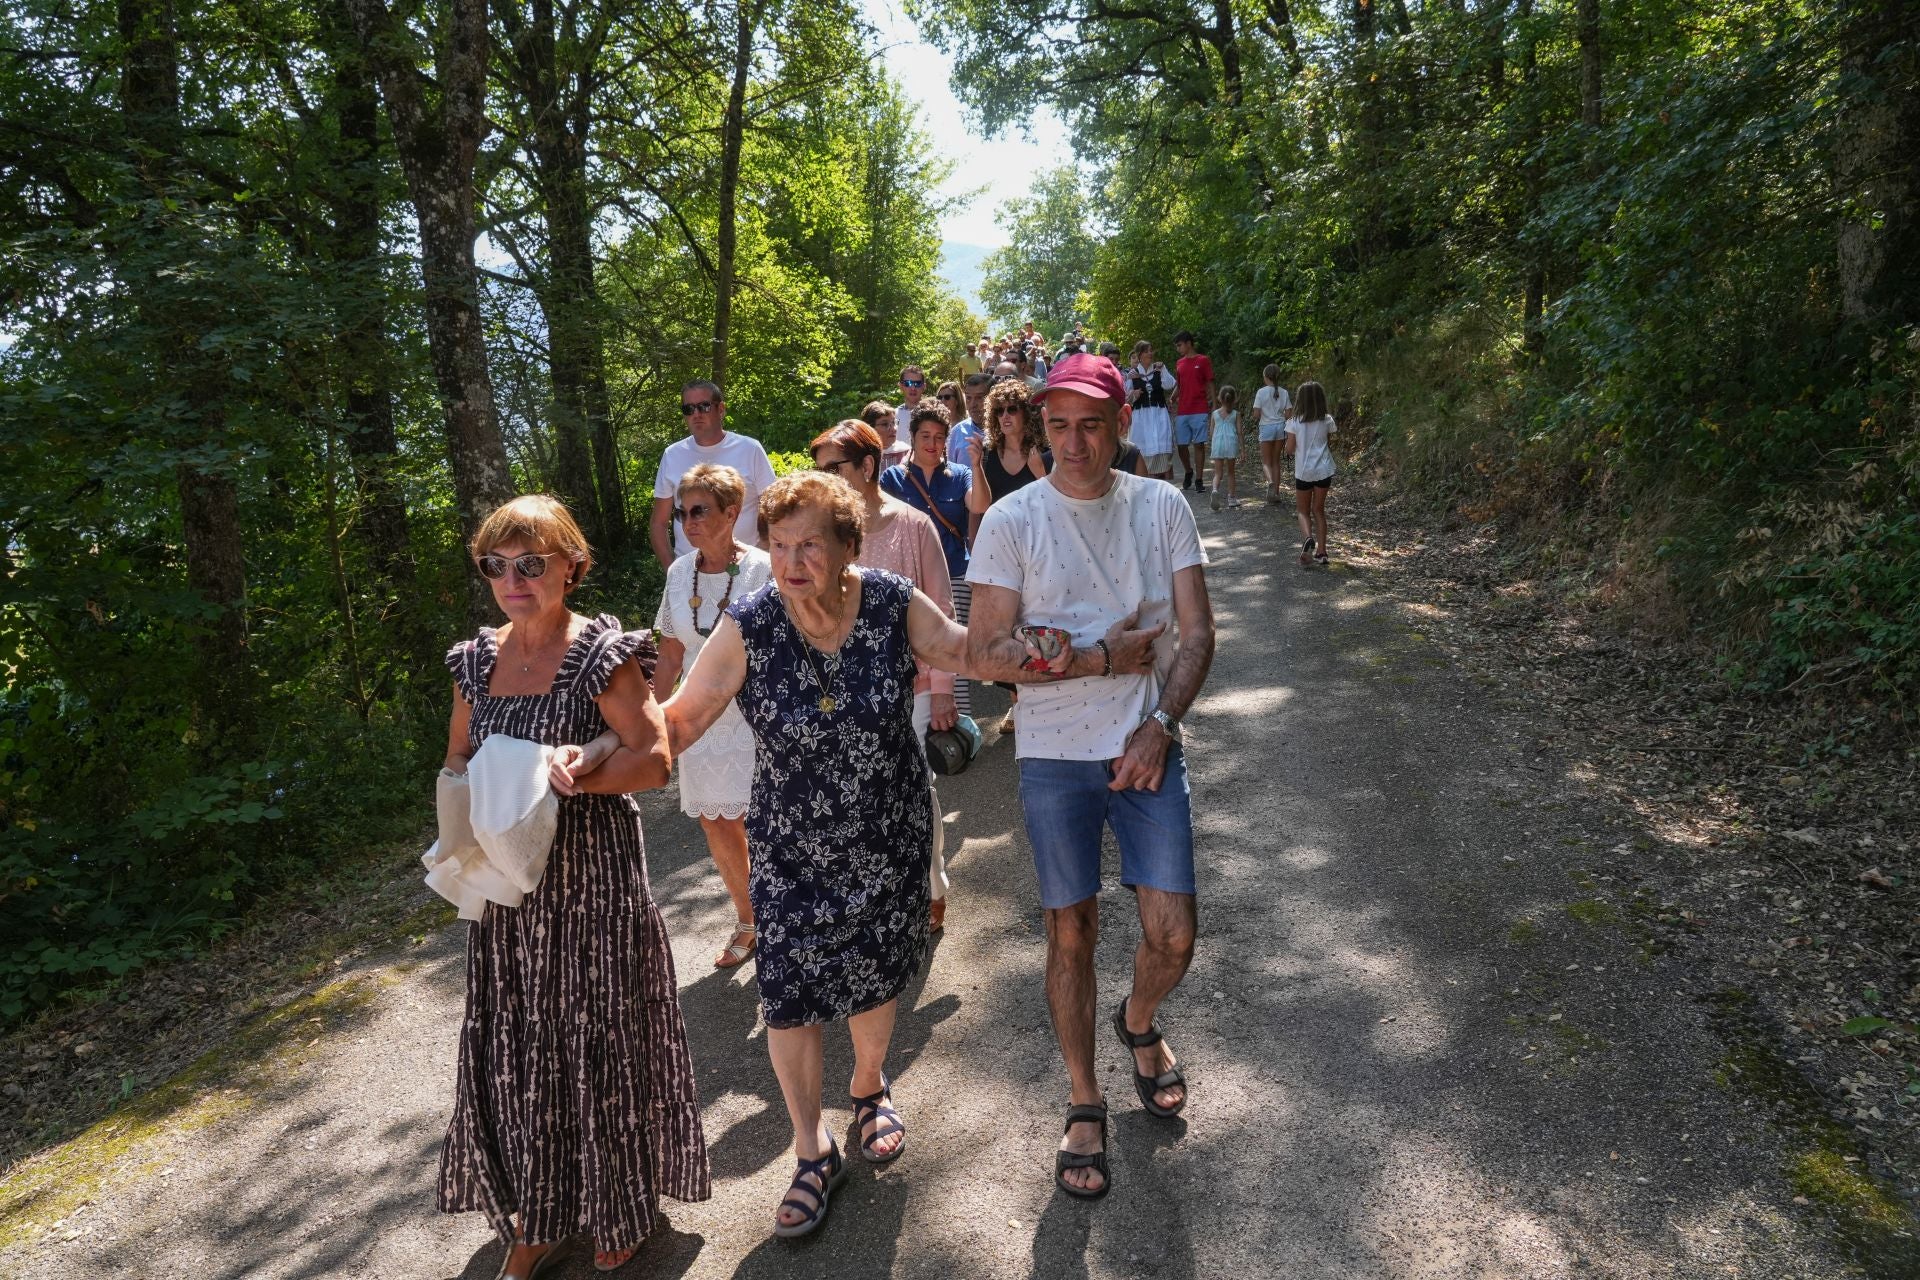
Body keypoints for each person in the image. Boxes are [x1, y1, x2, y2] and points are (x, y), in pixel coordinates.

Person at [642, 472, 991, 1240]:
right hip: (791, 846)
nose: (794, 560)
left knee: (873, 972)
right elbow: (684, 717)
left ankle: (869, 1085)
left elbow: (965, 650)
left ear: (844, 549)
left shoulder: (893, 602)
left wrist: (1058, 647)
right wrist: (602, 751)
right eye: (781, 544)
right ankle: (811, 1148)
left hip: (886, 833)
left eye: (811, 545)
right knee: (791, 990)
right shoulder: (751, 622)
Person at [966, 352, 1216, 1201]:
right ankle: (1084, 1097)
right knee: (1068, 933)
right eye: (1059, 426)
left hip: (1144, 743)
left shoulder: (1160, 505)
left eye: (1091, 425)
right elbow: (986, 655)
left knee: (1173, 934)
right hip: (1051, 753)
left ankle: (1138, 1021)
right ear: (1040, 428)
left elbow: (1197, 632)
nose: (1074, 443)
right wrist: (1101, 656)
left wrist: (1161, 724)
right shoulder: (1012, 521)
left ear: (1118, 425)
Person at [442, 495, 709, 1277]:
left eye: (532, 563)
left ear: (571, 565)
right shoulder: (474, 662)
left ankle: (618, 1205)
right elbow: (457, 755)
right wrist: (477, 787)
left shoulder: (600, 654)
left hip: (590, 882)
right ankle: (540, 1214)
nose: (513, 579)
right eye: (497, 565)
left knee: (597, 1036)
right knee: (523, 1046)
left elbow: (654, 762)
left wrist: (571, 772)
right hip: (508, 888)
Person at [813, 420, 961, 933]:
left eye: (835, 469)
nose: (826, 480)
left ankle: (932, 883)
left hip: (912, 686)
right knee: (855, 794)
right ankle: (877, 897)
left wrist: (942, 689)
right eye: (820, 471)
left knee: (914, 785)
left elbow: (942, 613)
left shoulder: (915, 526)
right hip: (840, 691)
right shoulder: (823, 537)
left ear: (868, 466)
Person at [651, 464, 773, 969]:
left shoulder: (765, 568)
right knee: (717, 824)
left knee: (769, 823)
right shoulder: (680, 573)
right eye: (681, 512)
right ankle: (750, 922)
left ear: (731, 511)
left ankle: (789, 917)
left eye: (698, 510)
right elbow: (670, 654)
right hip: (699, 718)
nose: (686, 521)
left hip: (756, 713)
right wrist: (653, 723)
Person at [883, 402, 976, 723]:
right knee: (912, 649)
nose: (932, 443)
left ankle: (959, 722)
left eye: (939, 437)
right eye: (925, 435)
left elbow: (979, 504)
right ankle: (917, 719)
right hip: (908, 579)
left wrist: (977, 463)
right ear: (912, 436)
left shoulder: (960, 475)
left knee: (953, 647)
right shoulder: (892, 478)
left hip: (954, 573)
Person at [650, 381, 776, 567]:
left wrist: (764, 556)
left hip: (746, 568)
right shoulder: (672, 455)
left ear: (721, 409)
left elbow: (774, 509)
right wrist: (673, 572)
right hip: (692, 572)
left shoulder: (750, 449)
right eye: (689, 409)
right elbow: (658, 523)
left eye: (704, 406)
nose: (696, 414)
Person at [1286, 380, 1337, 566]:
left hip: (1304, 472)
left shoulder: (1294, 423)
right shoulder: (1327, 420)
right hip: (1324, 470)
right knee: (1319, 510)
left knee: (1303, 510)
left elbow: (1289, 449)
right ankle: (1322, 552)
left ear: (1300, 400)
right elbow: (1327, 443)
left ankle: (1308, 538)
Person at [1125, 340, 1176, 482]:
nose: (1150, 353)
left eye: (1151, 350)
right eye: (1147, 351)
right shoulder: (1132, 374)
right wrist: (1133, 394)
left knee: (1162, 460)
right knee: (1143, 458)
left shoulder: (1158, 370)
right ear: (1140, 355)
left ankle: (1161, 491)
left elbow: (1170, 384)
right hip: (1141, 420)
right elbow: (1124, 398)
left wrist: (1163, 368)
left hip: (1159, 417)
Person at [1171, 330, 1214, 492]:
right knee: (1181, 445)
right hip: (1183, 409)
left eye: (1180, 345)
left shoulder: (1203, 360)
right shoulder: (1179, 363)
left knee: (1199, 445)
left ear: (1189, 343)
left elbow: (1210, 383)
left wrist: (1215, 404)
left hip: (1199, 408)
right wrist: (1173, 397)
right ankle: (1189, 470)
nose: (1178, 348)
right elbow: (1180, 385)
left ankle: (1199, 479)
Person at [1253, 363, 1293, 500]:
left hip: (1266, 427)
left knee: (1266, 462)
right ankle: (1276, 493)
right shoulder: (1284, 392)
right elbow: (1288, 415)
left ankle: (1270, 482)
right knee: (1276, 462)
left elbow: (1257, 414)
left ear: (1265, 377)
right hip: (1280, 428)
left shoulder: (1261, 392)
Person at [1208, 385, 1242, 510]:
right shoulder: (1236, 414)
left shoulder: (1214, 414)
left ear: (1219, 399)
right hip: (1231, 444)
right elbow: (1239, 432)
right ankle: (1232, 498)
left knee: (1218, 473)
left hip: (1218, 444)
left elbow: (1211, 432)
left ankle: (1215, 490)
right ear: (1234, 399)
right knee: (1231, 473)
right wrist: (1243, 450)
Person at [946, 371, 991, 464]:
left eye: (979, 398)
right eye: (968, 398)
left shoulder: (1005, 431)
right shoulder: (957, 432)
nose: (972, 404)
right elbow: (950, 471)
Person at [892, 365, 930, 465]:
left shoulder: (932, 415)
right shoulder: (892, 416)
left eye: (917, 384)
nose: (913, 388)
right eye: (907, 383)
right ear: (900, 386)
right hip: (898, 470)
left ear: (924, 387)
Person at [864, 398, 910, 471]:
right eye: (885, 424)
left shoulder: (906, 452)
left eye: (893, 423)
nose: (894, 429)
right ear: (869, 428)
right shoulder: (859, 455)